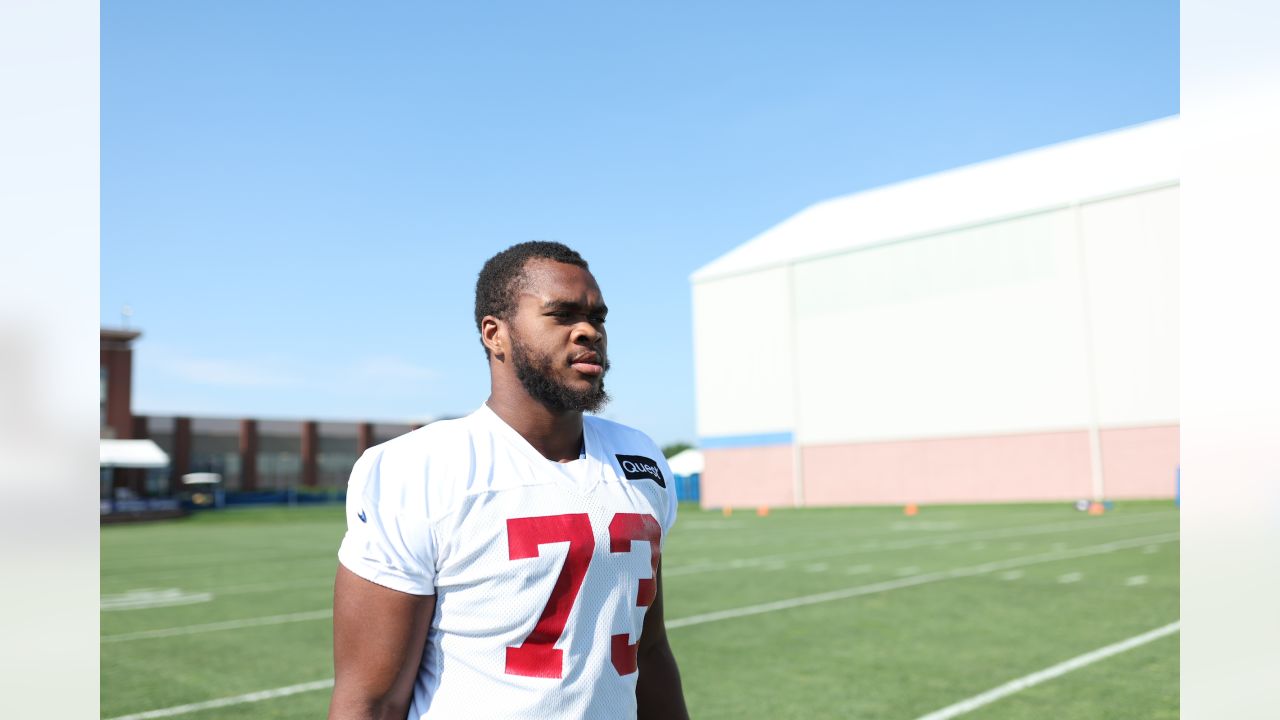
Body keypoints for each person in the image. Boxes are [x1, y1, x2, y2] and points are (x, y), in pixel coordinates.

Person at [328, 242, 689, 720]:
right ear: (495, 334)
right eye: (561, 314)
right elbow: (372, 699)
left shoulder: (638, 457)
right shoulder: (419, 466)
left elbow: (648, 648)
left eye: (598, 318)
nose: (589, 331)